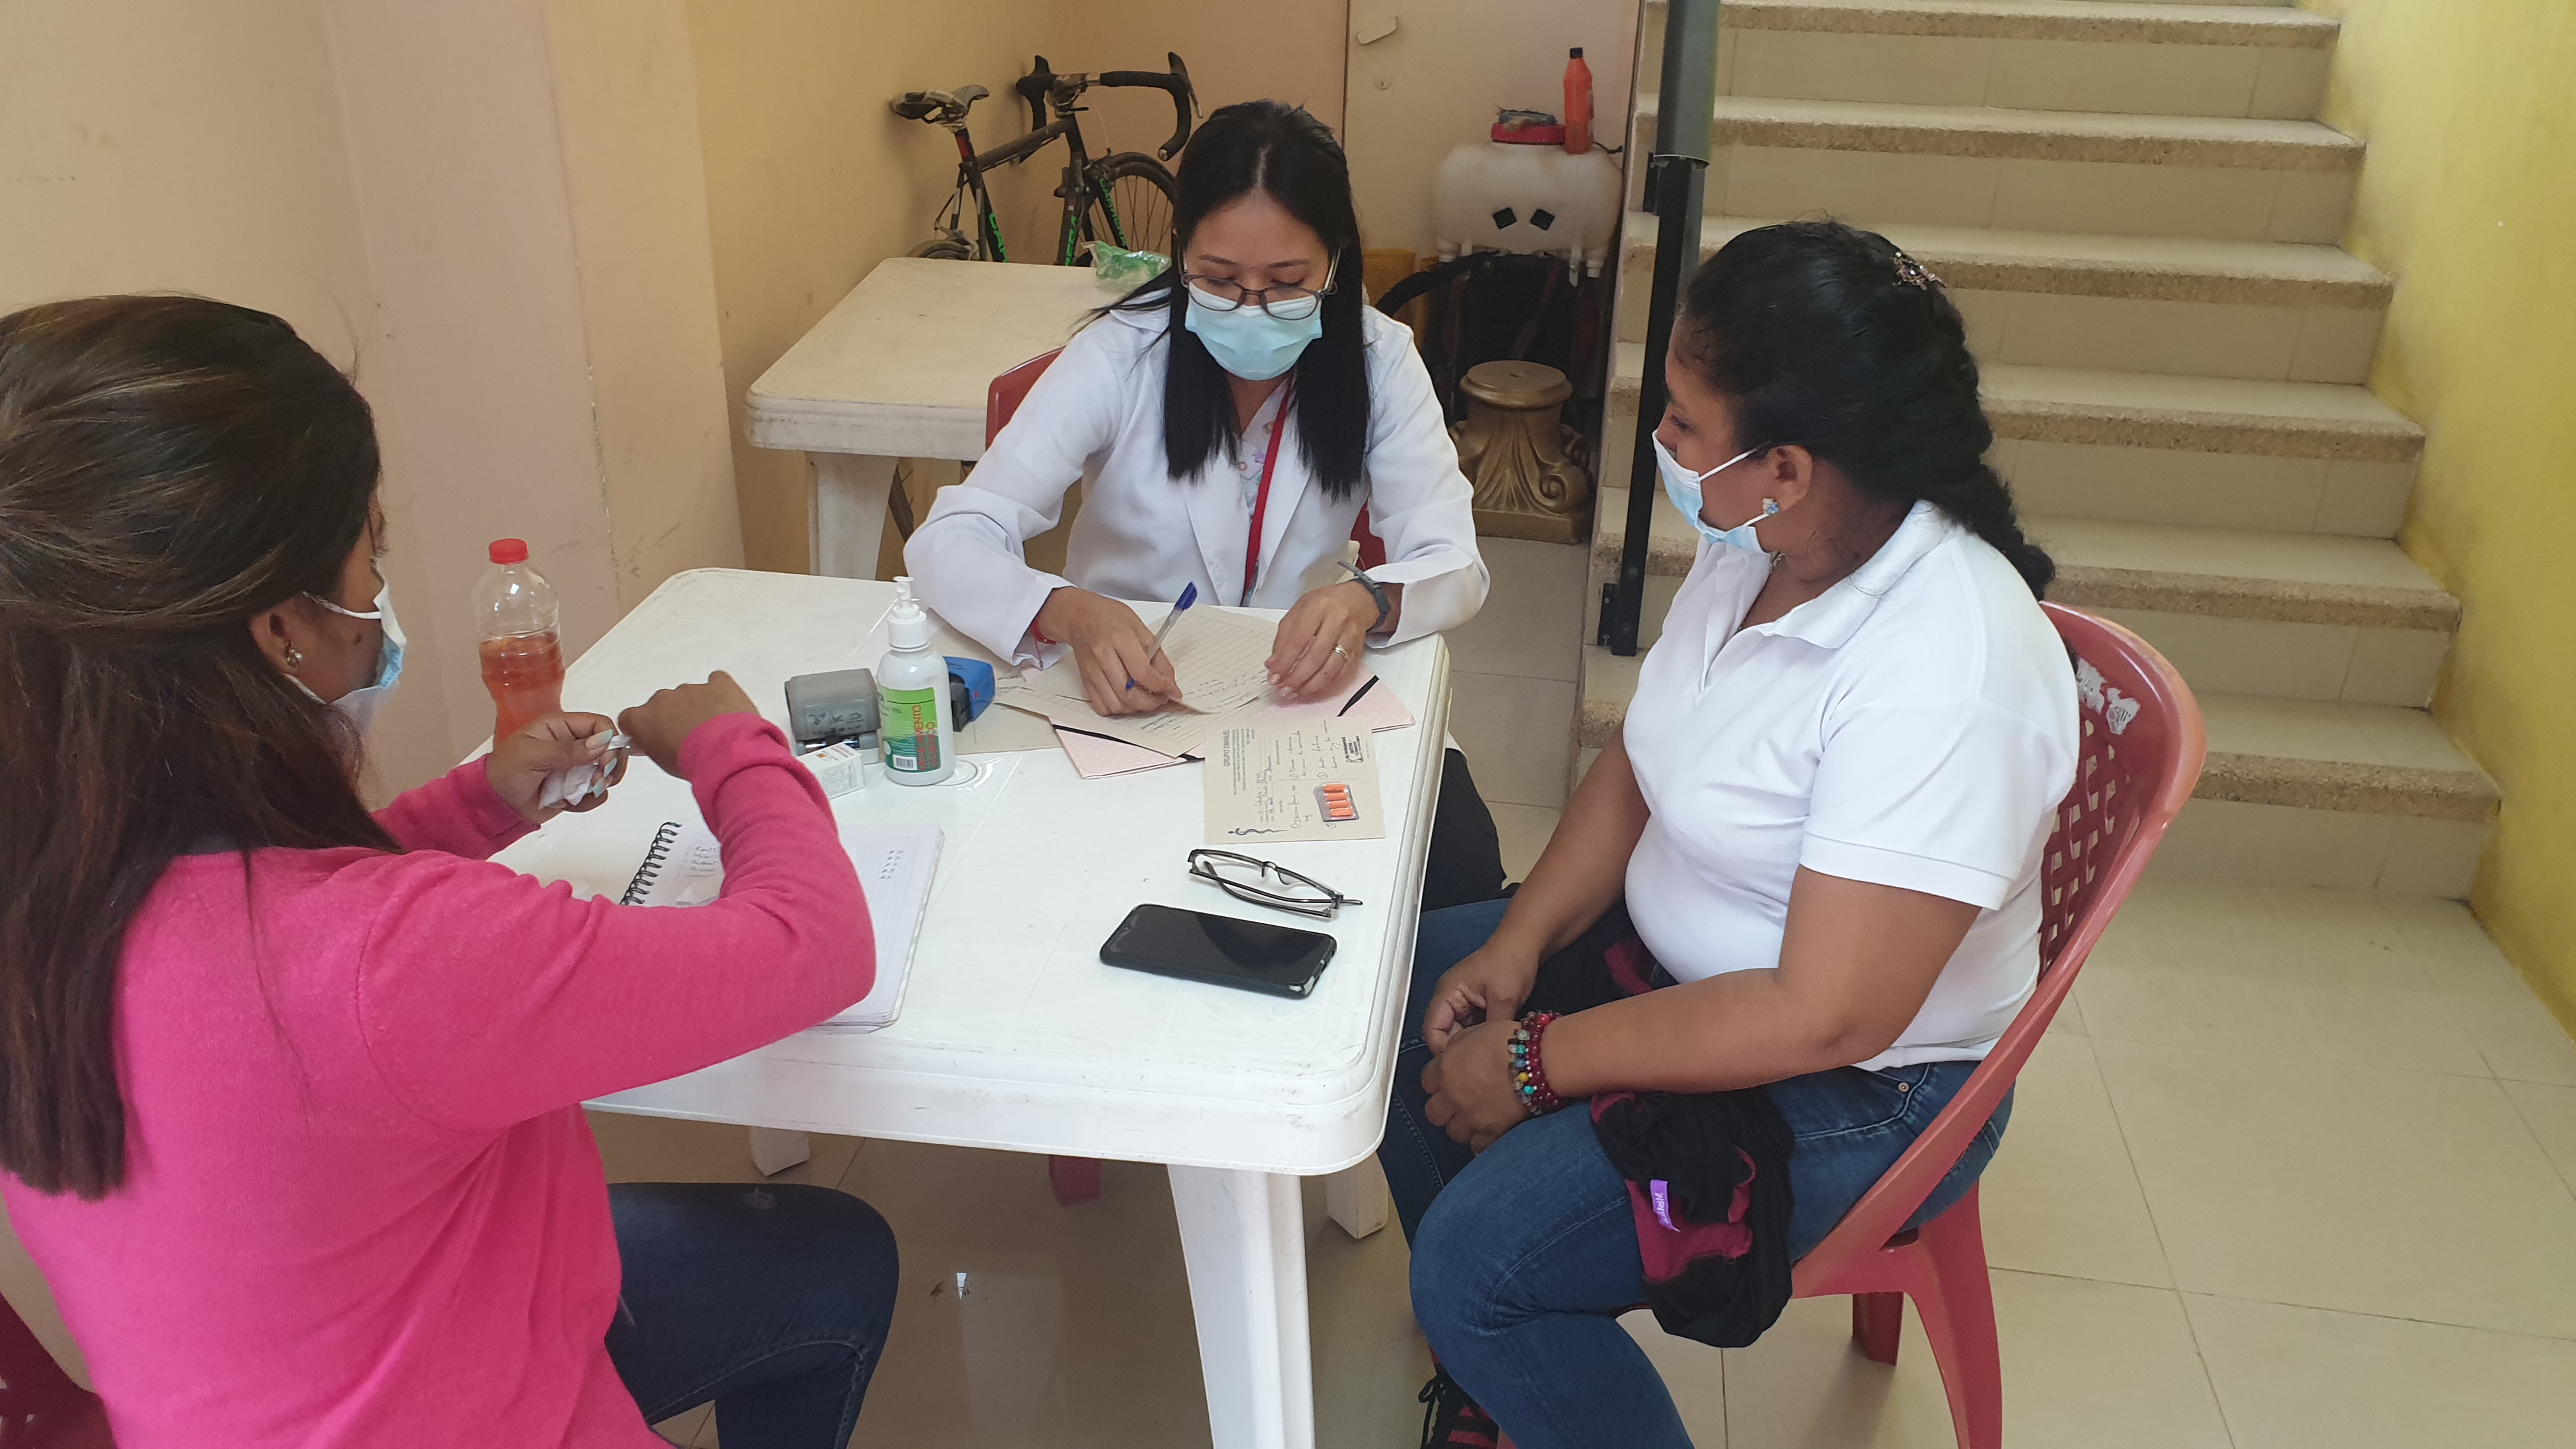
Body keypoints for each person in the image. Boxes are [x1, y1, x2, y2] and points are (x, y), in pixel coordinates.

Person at [0, 296, 898, 1448]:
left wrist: (475, 803)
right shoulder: (397, 957)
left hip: (267, 1390)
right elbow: (815, 946)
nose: (378, 598)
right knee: (834, 1257)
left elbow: (256, 938)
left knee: (822, 1257)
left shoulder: (50, 889)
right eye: (369, 555)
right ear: (280, 630)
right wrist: (731, 745)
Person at [1376, 221, 2080, 1449]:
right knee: (1389, 999)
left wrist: (1538, 1058)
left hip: (1863, 1082)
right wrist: (1519, 942)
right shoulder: (1762, 543)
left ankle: (1493, 1320)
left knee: (1477, 1266)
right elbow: (1644, 760)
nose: (1662, 442)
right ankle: (1504, 1375)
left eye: (1684, 423)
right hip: (1685, 966)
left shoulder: (1943, 670)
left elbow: (1824, 1015)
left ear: (1787, 466)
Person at [905, 99, 1506, 908]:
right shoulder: (1122, 353)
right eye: (1218, 280)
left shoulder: (1379, 361)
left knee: (1459, 869)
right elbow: (952, 537)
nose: (1250, 306)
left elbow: (1456, 562)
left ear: (1335, 263)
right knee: (1104, 885)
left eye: (1287, 282)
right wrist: (1068, 611)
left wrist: (1366, 599)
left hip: (1303, 696)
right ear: (1180, 251)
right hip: (1134, 695)